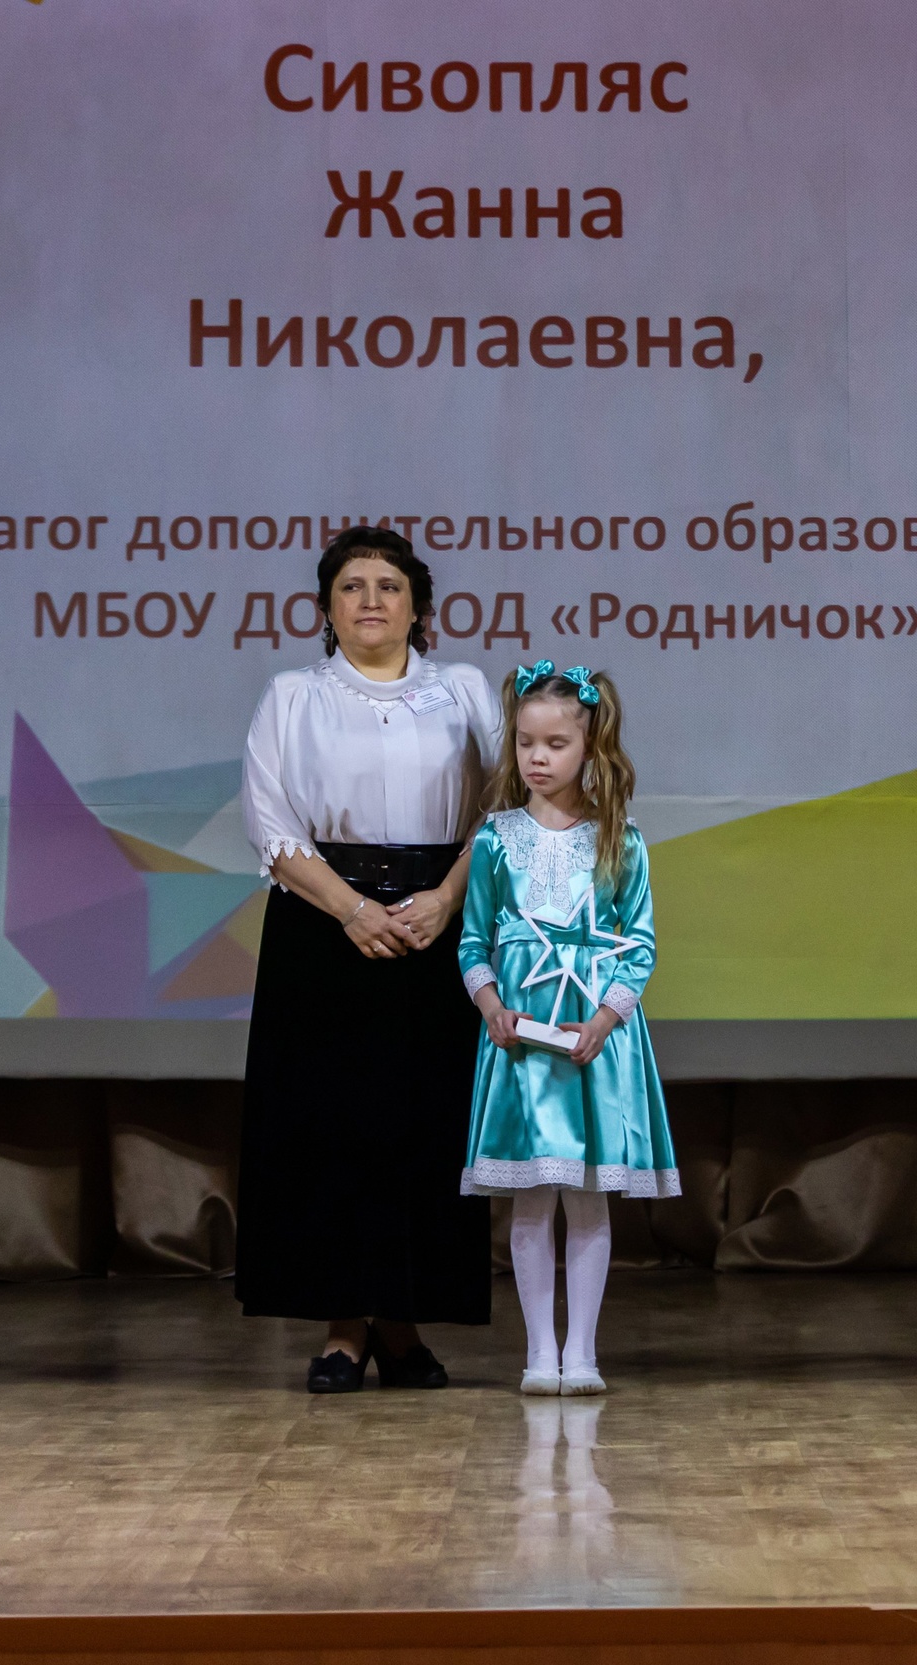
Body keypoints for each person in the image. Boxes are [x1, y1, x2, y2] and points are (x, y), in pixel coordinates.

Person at [240, 525, 504, 1393]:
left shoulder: (464, 689)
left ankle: (403, 1320)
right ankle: (343, 1329)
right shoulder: (292, 696)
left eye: (389, 585)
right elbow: (271, 822)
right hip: (324, 930)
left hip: (437, 925)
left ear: (419, 605)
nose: (371, 600)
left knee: (424, 1127)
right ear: (325, 606)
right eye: (352, 586)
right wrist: (351, 908)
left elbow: (502, 810)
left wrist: (448, 898)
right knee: (329, 1129)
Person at [457, 663, 676, 1397]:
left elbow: (639, 943)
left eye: (555, 743)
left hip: (593, 1043)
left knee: (586, 1197)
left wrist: (607, 1016)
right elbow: (473, 942)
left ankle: (581, 1351)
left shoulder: (621, 839)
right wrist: (492, 1007)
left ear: (590, 746)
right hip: (521, 1044)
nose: (538, 758)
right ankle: (538, 1352)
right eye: (526, 742)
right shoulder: (495, 840)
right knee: (531, 1199)